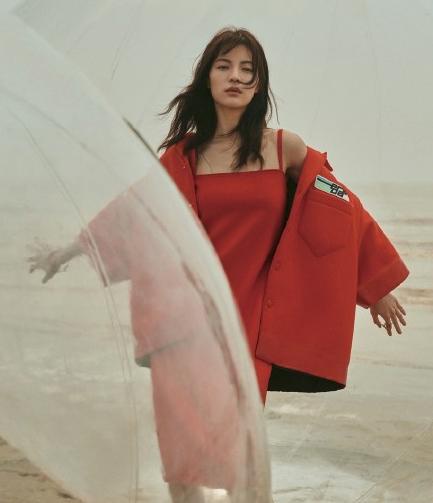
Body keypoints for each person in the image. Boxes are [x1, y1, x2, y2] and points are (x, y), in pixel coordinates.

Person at [28, 26, 409, 502]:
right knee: (182, 459)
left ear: (258, 84)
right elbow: (134, 213)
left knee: (245, 456)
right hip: (182, 325)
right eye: (224, 66)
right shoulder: (182, 158)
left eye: (247, 70)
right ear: (206, 77)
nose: (235, 77)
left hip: (247, 322)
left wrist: (375, 285)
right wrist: (71, 250)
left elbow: (339, 209)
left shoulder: (282, 148)